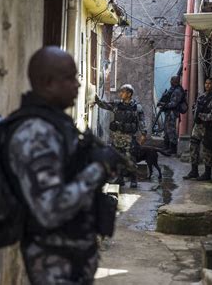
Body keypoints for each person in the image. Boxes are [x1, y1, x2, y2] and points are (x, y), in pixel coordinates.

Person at [7, 47, 127, 284]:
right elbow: (50, 208)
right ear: (48, 83)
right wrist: (99, 168)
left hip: (71, 259)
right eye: (69, 78)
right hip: (53, 263)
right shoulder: (35, 133)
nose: (78, 85)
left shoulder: (55, 126)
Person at [94, 84, 147, 188]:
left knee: (130, 158)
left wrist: (143, 134)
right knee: (117, 159)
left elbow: (141, 121)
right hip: (117, 137)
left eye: (123, 92)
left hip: (129, 137)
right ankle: (120, 179)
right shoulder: (117, 105)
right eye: (121, 92)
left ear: (129, 94)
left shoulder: (137, 107)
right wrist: (95, 98)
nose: (120, 94)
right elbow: (103, 105)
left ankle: (133, 179)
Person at [183, 78, 212, 181]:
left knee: (207, 150)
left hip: (207, 127)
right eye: (206, 83)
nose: (207, 85)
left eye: (210, 84)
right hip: (197, 126)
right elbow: (194, 108)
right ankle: (194, 171)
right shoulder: (201, 96)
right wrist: (196, 114)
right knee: (193, 147)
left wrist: (201, 116)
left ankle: (207, 173)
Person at [157, 76, 185, 154]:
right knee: (166, 129)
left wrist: (164, 105)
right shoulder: (172, 89)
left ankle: (172, 148)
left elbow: (174, 103)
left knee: (170, 130)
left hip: (173, 112)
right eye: (171, 80)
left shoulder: (177, 91)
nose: (171, 82)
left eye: (173, 81)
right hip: (169, 111)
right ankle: (166, 146)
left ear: (176, 81)